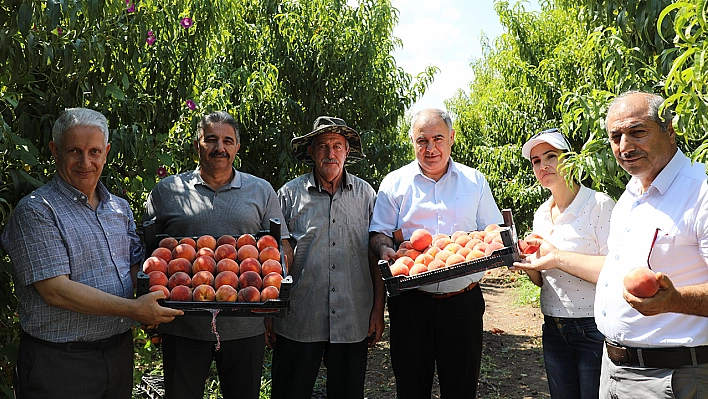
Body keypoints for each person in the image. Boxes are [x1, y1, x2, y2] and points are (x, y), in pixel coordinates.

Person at [517, 91, 708, 399]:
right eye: (615, 136)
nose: (625, 146)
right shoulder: (631, 196)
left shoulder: (701, 193)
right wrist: (553, 257)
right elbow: (612, 271)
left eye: (637, 132)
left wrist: (675, 300)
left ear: (669, 129)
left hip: (669, 377)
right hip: (614, 369)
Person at [1, 108, 183, 399]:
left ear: (107, 152)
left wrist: (166, 289)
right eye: (74, 151)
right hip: (61, 363)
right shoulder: (37, 210)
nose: (86, 162)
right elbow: (55, 291)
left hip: (118, 354)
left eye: (94, 151)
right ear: (54, 150)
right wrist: (135, 309)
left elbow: (135, 268)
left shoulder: (118, 208)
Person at [143, 111, 293, 399]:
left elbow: (281, 248)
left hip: (244, 326)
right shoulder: (168, 190)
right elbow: (148, 250)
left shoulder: (260, 190)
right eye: (210, 139)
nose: (219, 148)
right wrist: (146, 301)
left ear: (237, 147)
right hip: (183, 325)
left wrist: (274, 296)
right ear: (197, 144)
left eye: (227, 140)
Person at [369, 108, 503, 398]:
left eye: (438, 139)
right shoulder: (395, 183)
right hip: (411, 304)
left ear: (452, 138)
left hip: (463, 302)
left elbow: (493, 229)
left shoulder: (474, 181)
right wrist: (385, 248)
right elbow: (379, 232)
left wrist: (496, 247)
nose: (430, 148)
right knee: (411, 387)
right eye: (422, 140)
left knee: (461, 388)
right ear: (412, 142)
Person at [267, 116, 386, 399]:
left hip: (352, 319)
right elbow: (273, 259)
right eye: (322, 146)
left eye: (337, 146)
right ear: (311, 152)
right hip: (299, 318)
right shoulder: (288, 196)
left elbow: (374, 256)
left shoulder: (366, 195)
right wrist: (269, 313)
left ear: (347, 151)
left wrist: (378, 309)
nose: (330, 154)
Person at [517, 128, 615, 398]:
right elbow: (543, 280)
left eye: (551, 156)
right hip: (553, 326)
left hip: (593, 327)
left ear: (570, 160)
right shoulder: (541, 214)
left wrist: (558, 257)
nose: (543, 165)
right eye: (536, 160)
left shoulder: (599, 205)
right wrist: (526, 264)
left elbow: (614, 272)